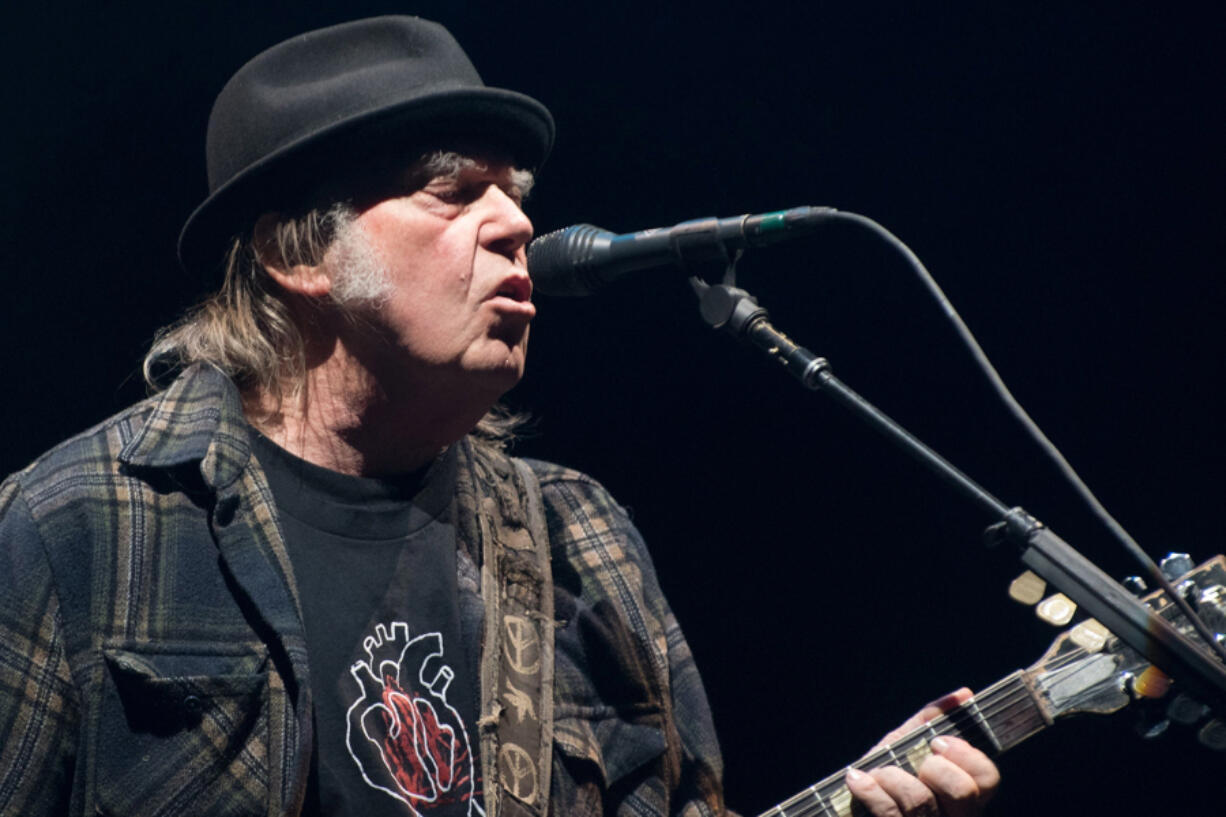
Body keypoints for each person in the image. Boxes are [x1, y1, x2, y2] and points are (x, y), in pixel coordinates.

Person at [0, 15, 998, 817]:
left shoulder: (577, 536)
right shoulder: (79, 525)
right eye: (454, 191)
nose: (516, 223)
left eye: (512, 194)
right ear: (297, 255)